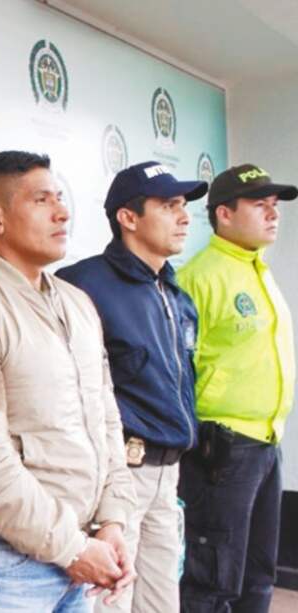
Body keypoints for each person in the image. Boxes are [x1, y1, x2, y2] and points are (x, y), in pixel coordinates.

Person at [0, 151, 137, 612]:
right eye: (42, 200)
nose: (62, 212)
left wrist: (114, 523)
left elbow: (107, 422)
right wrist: (73, 549)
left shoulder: (78, 302)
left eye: (60, 198)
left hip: (83, 550)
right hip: (6, 565)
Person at [56, 162, 208, 613]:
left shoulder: (176, 295)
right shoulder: (82, 286)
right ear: (128, 217)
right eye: (168, 205)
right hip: (117, 475)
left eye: (183, 206)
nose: (183, 216)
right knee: (109, 602)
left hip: (168, 475)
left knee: (161, 602)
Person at [176, 164, 296, 612]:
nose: (273, 214)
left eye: (275, 205)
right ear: (223, 214)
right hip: (221, 451)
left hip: (265, 444)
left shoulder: (259, 271)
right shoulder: (199, 278)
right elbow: (178, 371)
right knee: (214, 581)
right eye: (260, 204)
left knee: (258, 576)